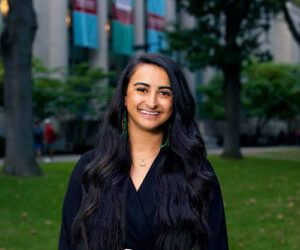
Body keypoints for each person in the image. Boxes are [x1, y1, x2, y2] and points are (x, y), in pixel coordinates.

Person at [59, 53, 228, 250]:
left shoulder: (196, 172)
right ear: (125, 96)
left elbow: (216, 245)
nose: (152, 102)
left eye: (164, 93)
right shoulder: (90, 168)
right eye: (142, 90)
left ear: (175, 102)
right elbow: (68, 242)